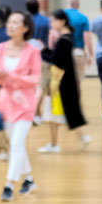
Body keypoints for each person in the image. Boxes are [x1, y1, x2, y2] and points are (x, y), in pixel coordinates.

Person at [0, 11, 43, 199]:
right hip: (6, 103)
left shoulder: (32, 51)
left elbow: (35, 78)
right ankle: (29, 179)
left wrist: (12, 77)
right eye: (9, 22)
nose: (10, 26)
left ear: (25, 28)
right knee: (17, 145)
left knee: (16, 143)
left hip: (25, 103)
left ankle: (9, 184)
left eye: (16, 23)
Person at [39, 8, 90, 152]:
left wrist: (43, 51)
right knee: (66, 111)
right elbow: (57, 56)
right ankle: (79, 137)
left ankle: (55, 144)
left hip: (59, 82)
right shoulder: (68, 38)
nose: (52, 24)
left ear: (62, 21)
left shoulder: (64, 40)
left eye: (53, 21)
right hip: (64, 81)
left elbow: (56, 60)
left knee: (54, 113)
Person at [64, 0, 94, 95]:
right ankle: (76, 107)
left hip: (63, 52)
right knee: (77, 82)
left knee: (64, 81)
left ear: (67, 1)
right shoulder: (83, 18)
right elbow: (87, 39)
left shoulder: (61, 16)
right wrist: (90, 54)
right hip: (78, 52)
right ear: (78, 3)